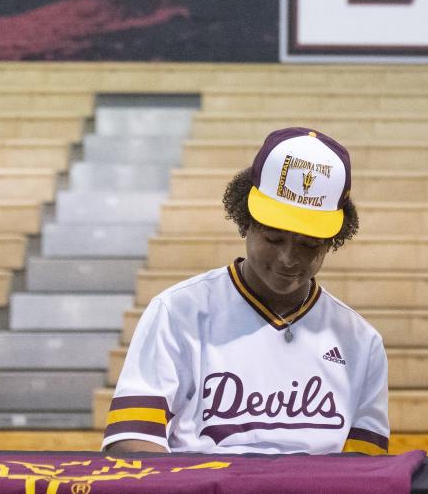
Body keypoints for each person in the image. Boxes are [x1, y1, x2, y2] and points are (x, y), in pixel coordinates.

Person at [102, 127, 389, 455]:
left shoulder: (362, 342)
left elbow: (366, 468)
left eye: (309, 244)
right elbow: (131, 441)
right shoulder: (177, 311)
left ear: (330, 243)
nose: (287, 258)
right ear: (245, 221)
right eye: (273, 239)